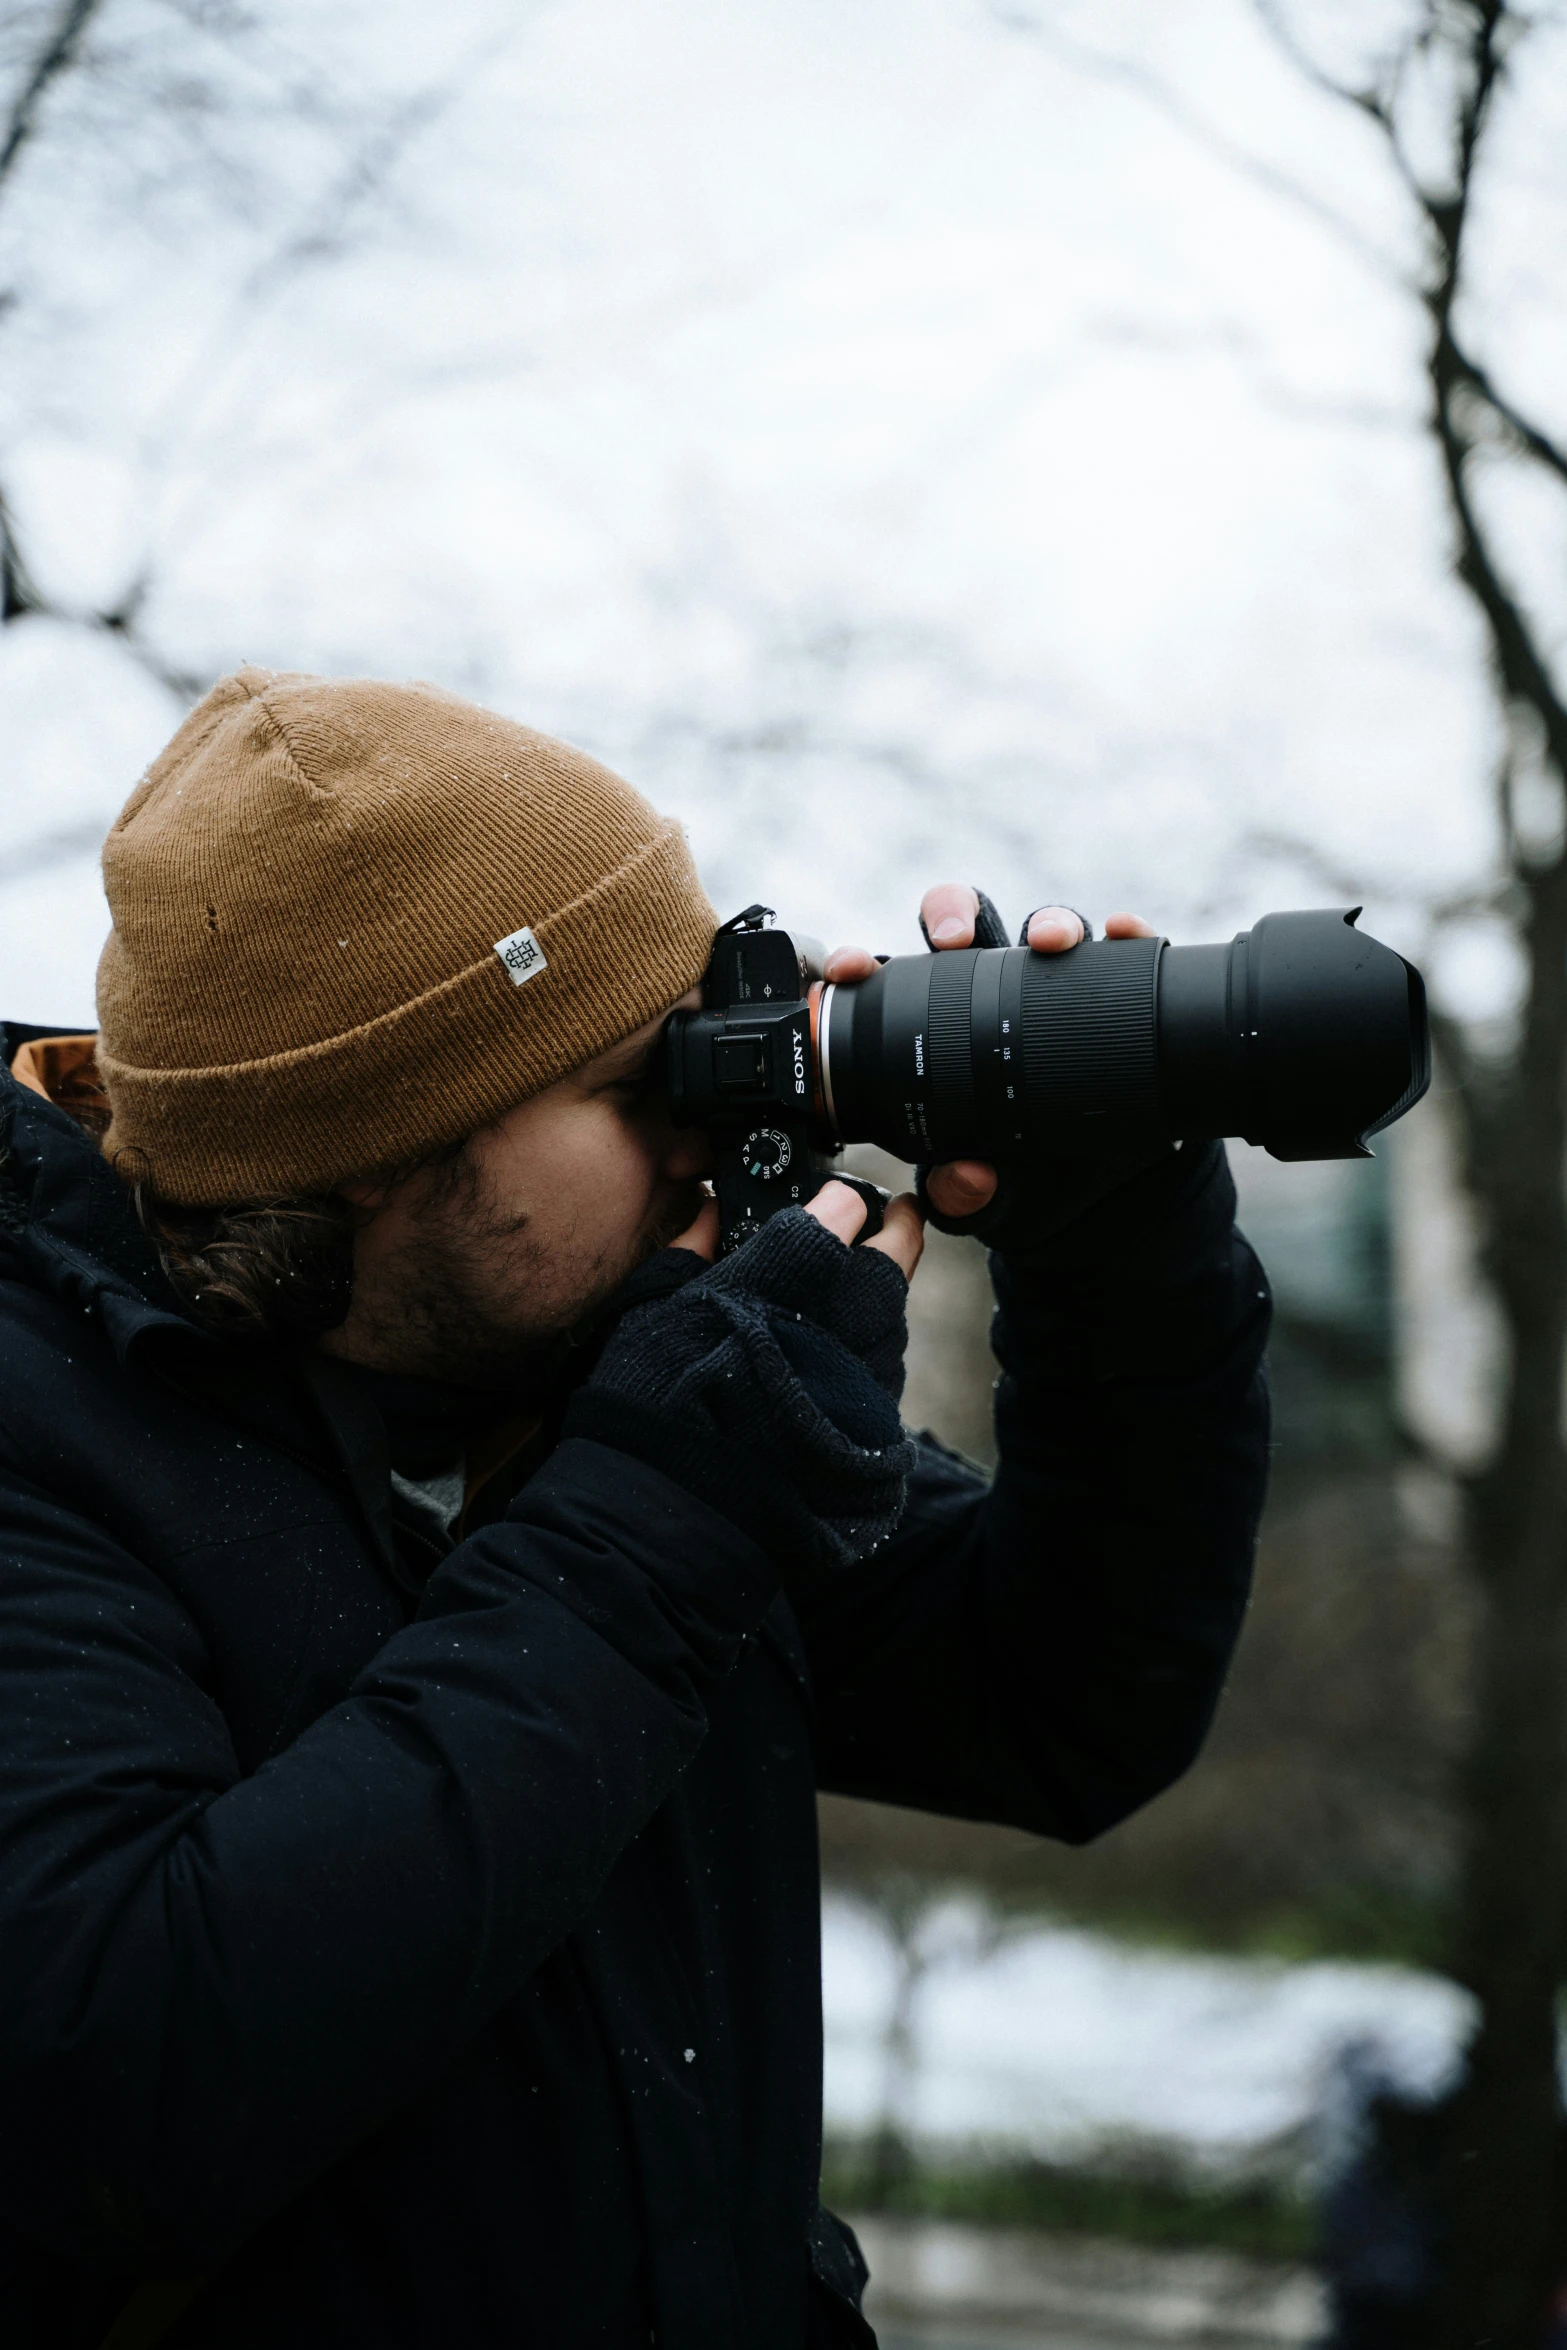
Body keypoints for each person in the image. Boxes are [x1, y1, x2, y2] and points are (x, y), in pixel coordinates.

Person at [0, 668, 1271, 2350]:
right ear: (378, 1139)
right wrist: (659, 1518)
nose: (709, 1127)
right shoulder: (50, 1428)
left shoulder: (584, 1382)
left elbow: (1066, 1703)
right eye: (632, 1083)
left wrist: (1117, 1244)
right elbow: (114, 2087)